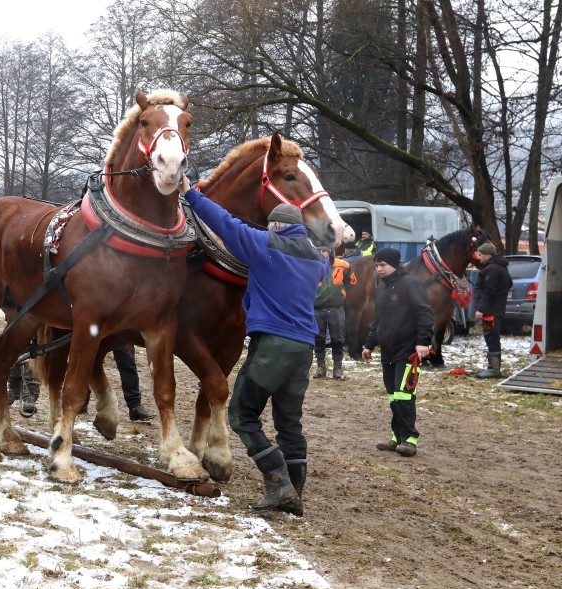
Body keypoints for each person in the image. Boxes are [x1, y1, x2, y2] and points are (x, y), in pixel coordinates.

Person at [182, 178, 327, 516]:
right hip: (304, 348)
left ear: (276, 226)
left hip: (273, 346)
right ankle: (295, 492)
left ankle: (278, 484)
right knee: (289, 423)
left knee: (242, 415)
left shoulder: (267, 245)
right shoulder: (316, 259)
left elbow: (226, 225)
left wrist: (192, 194)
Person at [361, 248, 434, 457]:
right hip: (388, 351)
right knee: (393, 396)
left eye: (383, 265)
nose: (379, 269)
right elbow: (378, 321)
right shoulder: (382, 288)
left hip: (407, 351)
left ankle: (410, 439)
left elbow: (424, 313)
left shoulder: (410, 284)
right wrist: (369, 345)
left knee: (404, 395)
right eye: (376, 265)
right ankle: (397, 436)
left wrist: (422, 342)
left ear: (394, 263)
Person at [313, 246, 356, 380]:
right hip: (317, 308)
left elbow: (352, 281)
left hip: (336, 308)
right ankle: (320, 366)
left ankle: (337, 368)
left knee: (338, 339)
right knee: (318, 338)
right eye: (319, 251)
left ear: (330, 251)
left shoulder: (344, 265)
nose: (322, 253)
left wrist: (341, 292)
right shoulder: (312, 265)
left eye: (324, 250)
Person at [473, 242, 512, 378]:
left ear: (488, 255)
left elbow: (488, 291)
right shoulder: (501, 268)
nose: (478, 258)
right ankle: (492, 367)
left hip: (491, 311)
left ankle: (494, 369)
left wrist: (481, 309)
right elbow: (509, 283)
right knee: (491, 336)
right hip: (497, 309)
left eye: (480, 255)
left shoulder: (492, 269)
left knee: (491, 337)